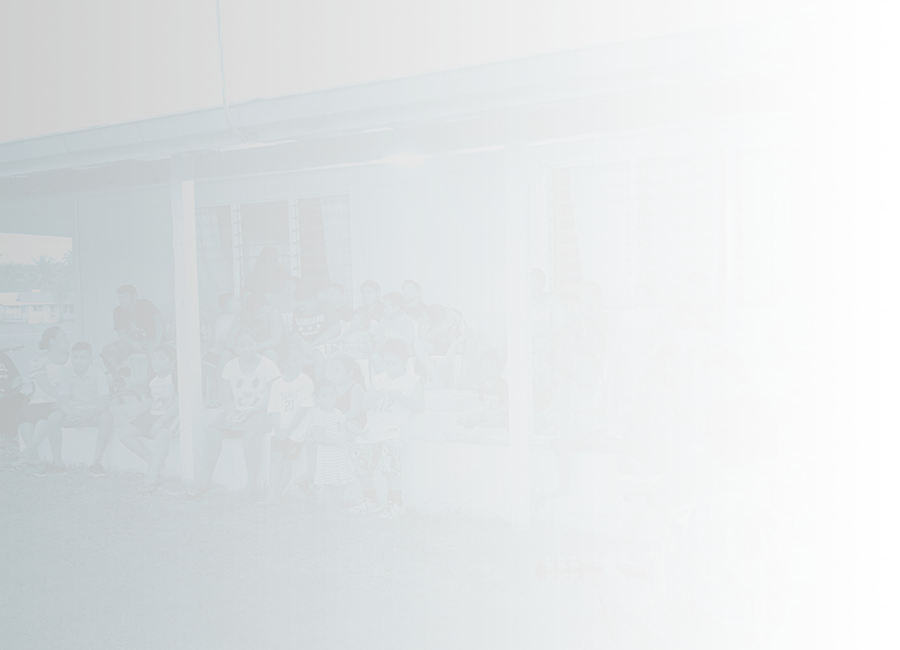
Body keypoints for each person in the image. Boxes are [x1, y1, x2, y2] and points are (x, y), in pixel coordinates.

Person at [596, 386, 886, 650]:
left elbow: (661, 623)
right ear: (777, 435)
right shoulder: (854, 497)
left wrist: (617, 587)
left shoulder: (690, 528)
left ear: (708, 448)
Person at [187, 329, 281, 498]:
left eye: (251, 344)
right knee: (213, 431)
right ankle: (206, 480)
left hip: (263, 410)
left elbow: (275, 399)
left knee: (250, 434)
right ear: (236, 348)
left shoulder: (268, 365)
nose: (246, 349)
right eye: (241, 345)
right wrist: (230, 412)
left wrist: (250, 411)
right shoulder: (230, 366)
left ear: (257, 345)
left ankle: (250, 485)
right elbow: (227, 398)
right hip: (238, 410)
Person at [606, 370, 680, 562]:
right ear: (648, 396)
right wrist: (630, 461)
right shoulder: (626, 412)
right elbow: (613, 438)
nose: (666, 408)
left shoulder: (667, 415)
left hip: (657, 468)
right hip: (631, 467)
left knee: (664, 511)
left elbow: (672, 445)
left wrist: (675, 472)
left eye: (668, 404)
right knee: (639, 509)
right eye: (662, 404)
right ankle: (627, 546)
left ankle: (660, 549)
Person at [348, 339, 425, 519]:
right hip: (376, 426)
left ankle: (396, 502)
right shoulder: (378, 379)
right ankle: (370, 500)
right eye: (387, 363)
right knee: (358, 453)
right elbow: (365, 407)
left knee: (391, 451)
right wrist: (371, 396)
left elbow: (420, 407)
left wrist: (401, 397)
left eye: (395, 363)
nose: (390, 367)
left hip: (399, 426)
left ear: (405, 362)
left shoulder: (413, 381)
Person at [672, 348, 749, 485]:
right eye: (710, 374)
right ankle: (673, 495)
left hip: (731, 442)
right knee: (677, 462)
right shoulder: (708, 393)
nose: (714, 380)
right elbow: (706, 423)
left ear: (733, 375)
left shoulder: (739, 392)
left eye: (721, 376)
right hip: (706, 440)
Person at [547, 350, 618, 498]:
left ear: (596, 370)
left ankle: (563, 445)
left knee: (609, 440)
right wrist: (569, 427)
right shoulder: (568, 390)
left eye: (587, 367)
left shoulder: (605, 387)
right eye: (577, 367)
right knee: (561, 433)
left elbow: (612, 418)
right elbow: (561, 418)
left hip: (599, 433)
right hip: (578, 431)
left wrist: (591, 430)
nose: (582, 372)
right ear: (572, 370)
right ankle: (564, 485)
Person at [760, 265, 834, 404]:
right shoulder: (786, 302)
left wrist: (807, 339)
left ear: (815, 286)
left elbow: (826, 331)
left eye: (806, 283)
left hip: (812, 343)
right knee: (776, 357)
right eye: (798, 283)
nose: (801, 286)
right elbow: (777, 328)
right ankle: (800, 396)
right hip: (788, 344)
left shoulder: (823, 304)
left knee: (811, 356)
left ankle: (797, 391)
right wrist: (761, 325)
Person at [43, 342, 114, 478]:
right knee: (54, 417)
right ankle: (57, 465)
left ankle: (96, 464)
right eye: (75, 357)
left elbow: (105, 402)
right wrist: (72, 414)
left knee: (107, 416)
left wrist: (90, 413)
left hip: (93, 413)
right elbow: (63, 400)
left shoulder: (98, 374)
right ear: (71, 357)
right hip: (74, 413)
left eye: (83, 358)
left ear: (89, 359)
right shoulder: (66, 373)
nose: (78, 361)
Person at [117, 345, 180, 492]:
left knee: (163, 435)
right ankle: (153, 462)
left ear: (172, 362)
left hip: (171, 415)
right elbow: (147, 403)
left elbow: (178, 405)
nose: (156, 362)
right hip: (152, 415)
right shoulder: (152, 378)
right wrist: (132, 413)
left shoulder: (176, 375)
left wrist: (160, 422)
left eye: (161, 359)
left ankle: (151, 480)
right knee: (124, 434)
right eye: (154, 359)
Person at [259, 345, 314, 507]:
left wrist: (291, 427)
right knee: (274, 458)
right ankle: (271, 494)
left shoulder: (305, 381)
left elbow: (304, 407)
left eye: (300, 359)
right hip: (279, 428)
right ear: (284, 364)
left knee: (287, 461)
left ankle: (276, 495)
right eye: (295, 360)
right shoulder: (277, 384)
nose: (300, 362)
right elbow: (274, 408)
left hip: (296, 431)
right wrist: (277, 428)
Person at [825, 269, 886, 410]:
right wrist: (838, 332)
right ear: (865, 287)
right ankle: (887, 387)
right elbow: (849, 334)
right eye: (871, 286)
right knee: (860, 359)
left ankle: (883, 395)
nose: (875, 290)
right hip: (861, 342)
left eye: (880, 286)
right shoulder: (856, 304)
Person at [14, 327, 71, 474]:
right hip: (42, 400)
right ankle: (33, 454)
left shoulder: (72, 359)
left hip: (65, 400)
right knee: (22, 414)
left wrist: (63, 398)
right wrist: (58, 396)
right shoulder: (38, 360)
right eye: (63, 337)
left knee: (46, 414)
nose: (67, 339)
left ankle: (30, 450)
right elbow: (42, 382)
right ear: (52, 341)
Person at [496, 268, 567, 373]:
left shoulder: (553, 299)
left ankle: (541, 383)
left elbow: (561, 328)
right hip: (526, 337)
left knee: (541, 343)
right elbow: (515, 325)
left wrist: (540, 333)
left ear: (544, 284)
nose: (532, 288)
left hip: (547, 338)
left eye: (536, 284)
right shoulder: (522, 301)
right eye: (528, 284)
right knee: (504, 337)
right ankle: (493, 381)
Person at [100, 284, 165, 385]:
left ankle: (149, 385)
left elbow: (159, 319)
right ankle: (119, 381)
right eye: (120, 297)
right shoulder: (118, 311)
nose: (122, 300)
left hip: (152, 339)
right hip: (133, 342)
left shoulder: (145, 304)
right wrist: (133, 343)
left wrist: (157, 341)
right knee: (107, 351)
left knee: (155, 353)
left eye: (125, 297)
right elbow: (121, 332)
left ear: (134, 297)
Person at [310, 379, 356, 519]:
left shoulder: (337, 412)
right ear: (317, 398)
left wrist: (362, 433)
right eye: (324, 396)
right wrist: (337, 441)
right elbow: (317, 437)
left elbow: (345, 424)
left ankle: (335, 508)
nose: (329, 398)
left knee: (344, 480)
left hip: (340, 455)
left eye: (332, 394)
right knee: (329, 484)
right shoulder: (319, 417)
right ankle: (329, 512)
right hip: (328, 456)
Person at [607, 283, 661, 403]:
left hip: (645, 343)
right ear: (634, 297)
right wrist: (639, 330)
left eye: (644, 296)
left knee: (631, 354)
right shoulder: (628, 314)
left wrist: (631, 332)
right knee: (613, 355)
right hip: (628, 343)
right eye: (638, 296)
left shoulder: (652, 312)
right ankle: (610, 391)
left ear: (649, 297)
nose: (641, 299)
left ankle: (634, 392)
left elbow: (650, 334)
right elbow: (621, 335)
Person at [664, 272, 725, 363]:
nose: (695, 288)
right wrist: (668, 337)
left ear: (705, 288)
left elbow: (719, 330)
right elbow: (670, 327)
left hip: (702, 338)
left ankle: (685, 376)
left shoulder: (712, 305)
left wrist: (710, 318)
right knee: (657, 351)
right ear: (687, 288)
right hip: (680, 338)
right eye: (691, 285)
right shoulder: (680, 305)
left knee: (682, 353)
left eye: (699, 285)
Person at [414, 303, 476, 391]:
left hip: (456, 344)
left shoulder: (454, 314)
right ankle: (437, 380)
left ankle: (461, 381)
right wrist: (435, 332)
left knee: (471, 341)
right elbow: (421, 336)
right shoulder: (429, 317)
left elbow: (468, 332)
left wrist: (453, 345)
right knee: (417, 345)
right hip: (438, 345)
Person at [291, 284, 341, 381]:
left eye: (304, 306)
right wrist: (303, 343)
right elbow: (295, 334)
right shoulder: (297, 312)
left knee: (317, 351)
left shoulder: (326, 306)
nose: (301, 309)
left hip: (325, 343)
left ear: (313, 300)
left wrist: (316, 342)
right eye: (299, 306)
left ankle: (320, 386)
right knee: (291, 355)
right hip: (305, 346)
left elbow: (334, 328)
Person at [201, 292, 240, 409]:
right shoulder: (222, 320)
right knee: (208, 360)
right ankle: (216, 385)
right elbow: (220, 341)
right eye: (236, 301)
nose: (240, 303)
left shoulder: (242, 316)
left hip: (236, 350)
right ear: (228, 306)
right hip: (221, 350)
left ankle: (221, 389)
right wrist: (222, 357)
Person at [563, 281, 608, 381]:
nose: (584, 298)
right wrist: (568, 322)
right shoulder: (578, 313)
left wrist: (585, 321)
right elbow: (576, 336)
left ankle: (581, 379)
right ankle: (569, 380)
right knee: (564, 351)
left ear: (596, 297)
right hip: (579, 343)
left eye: (588, 295)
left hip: (595, 344)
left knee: (580, 351)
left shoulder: (600, 315)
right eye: (582, 295)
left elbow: (593, 336)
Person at [456, 348, 509, 429]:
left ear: (497, 368)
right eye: (484, 367)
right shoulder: (481, 385)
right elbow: (483, 402)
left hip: (500, 415)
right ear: (480, 367)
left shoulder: (502, 384)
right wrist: (487, 412)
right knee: (469, 416)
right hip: (487, 414)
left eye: (490, 367)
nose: (487, 371)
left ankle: (480, 425)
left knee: (498, 421)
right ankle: (481, 423)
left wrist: (494, 414)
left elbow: (507, 404)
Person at [228, 291, 283, 363]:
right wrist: (239, 349)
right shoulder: (241, 314)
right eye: (261, 313)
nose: (265, 314)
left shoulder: (274, 312)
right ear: (251, 313)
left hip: (268, 346)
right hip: (245, 346)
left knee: (269, 353)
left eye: (267, 309)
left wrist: (255, 347)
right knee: (226, 355)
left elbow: (276, 339)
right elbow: (230, 340)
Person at [370, 292, 416, 376]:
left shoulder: (406, 320)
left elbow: (409, 342)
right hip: (385, 348)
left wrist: (394, 343)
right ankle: (385, 379)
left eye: (386, 307)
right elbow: (378, 340)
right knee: (375, 356)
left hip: (401, 349)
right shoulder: (383, 320)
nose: (384, 310)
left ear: (397, 308)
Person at [750, 336, 797, 418]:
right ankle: (771, 413)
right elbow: (755, 389)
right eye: (765, 351)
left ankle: (771, 413)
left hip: (780, 402)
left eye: (771, 351)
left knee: (786, 404)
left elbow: (792, 393)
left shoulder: (788, 373)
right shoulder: (761, 371)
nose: (767, 354)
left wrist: (787, 396)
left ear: (782, 353)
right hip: (765, 402)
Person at [321, 309, 374, 379]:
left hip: (357, 354)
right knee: (331, 356)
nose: (351, 322)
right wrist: (324, 341)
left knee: (343, 354)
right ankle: (326, 379)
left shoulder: (365, 335)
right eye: (352, 320)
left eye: (355, 321)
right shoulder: (347, 333)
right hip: (346, 354)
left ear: (362, 325)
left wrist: (364, 349)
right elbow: (337, 339)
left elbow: (371, 348)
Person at [644, 341, 691, 415]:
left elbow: (685, 398)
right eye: (680, 356)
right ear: (669, 360)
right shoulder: (657, 376)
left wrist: (682, 408)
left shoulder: (685, 375)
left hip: (679, 411)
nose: (683, 360)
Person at [0, 347, 29, 449]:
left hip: (6, 394)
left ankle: (8, 437)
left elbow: (16, 378)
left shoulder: (2, 357)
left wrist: (14, 390)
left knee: (23, 402)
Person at [532, 350, 560, 435]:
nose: (534, 368)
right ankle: (548, 431)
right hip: (534, 415)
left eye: (539, 365)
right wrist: (534, 417)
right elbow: (530, 406)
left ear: (549, 368)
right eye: (532, 365)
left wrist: (539, 417)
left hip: (547, 416)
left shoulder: (558, 385)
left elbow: (554, 408)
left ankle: (534, 427)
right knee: (519, 419)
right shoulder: (530, 383)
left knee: (557, 417)